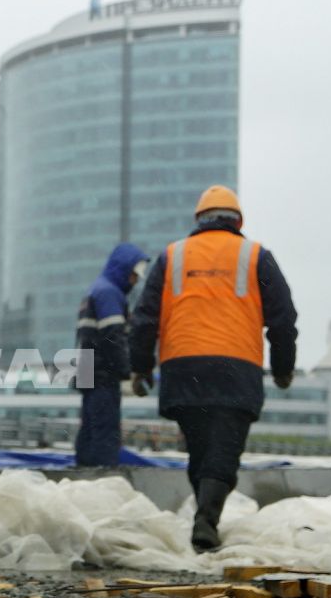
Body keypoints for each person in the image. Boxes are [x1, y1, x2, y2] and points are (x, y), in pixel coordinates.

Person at [129, 186, 297, 552]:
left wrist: (140, 368)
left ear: (198, 220)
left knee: (201, 447)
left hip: (182, 365)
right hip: (234, 367)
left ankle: (206, 516)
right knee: (224, 446)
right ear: (238, 221)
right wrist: (284, 367)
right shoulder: (255, 255)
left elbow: (144, 318)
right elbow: (283, 317)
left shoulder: (172, 256)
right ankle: (206, 519)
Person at [74, 243, 148, 470]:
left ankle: (84, 478)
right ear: (124, 270)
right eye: (134, 276)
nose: (135, 282)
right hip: (103, 374)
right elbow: (113, 337)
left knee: (89, 431)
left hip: (89, 371)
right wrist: (125, 374)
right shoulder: (109, 293)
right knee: (105, 434)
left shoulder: (95, 290)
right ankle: (103, 483)